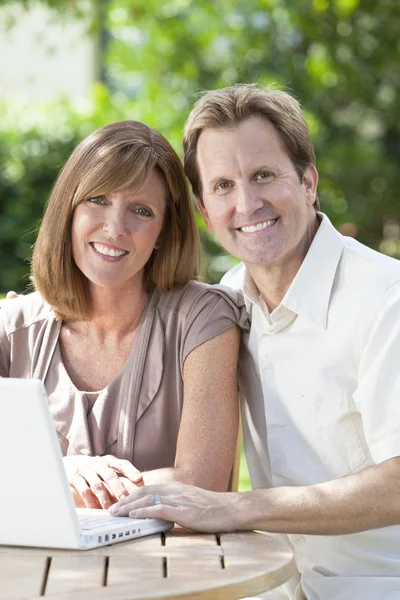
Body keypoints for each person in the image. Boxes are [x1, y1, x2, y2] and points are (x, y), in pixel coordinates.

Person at [110, 85, 400, 599]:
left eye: (264, 175)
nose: (247, 203)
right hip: (279, 586)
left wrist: (239, 506)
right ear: (203, 209)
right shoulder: (226, 304)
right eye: (222, 185)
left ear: (308, 181)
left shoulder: (384, 299)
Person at [0, 120, 249, 511]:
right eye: (98, 200)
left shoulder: (204, 320)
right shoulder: (10, 330)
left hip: (168, 569)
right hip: (32, 571)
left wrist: (37, 478)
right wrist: (63, 471)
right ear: (69, 209)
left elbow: (202, 485)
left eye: (141, 210)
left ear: (164, 232)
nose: (116, 228)